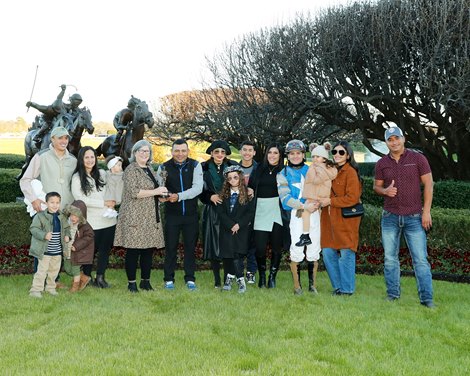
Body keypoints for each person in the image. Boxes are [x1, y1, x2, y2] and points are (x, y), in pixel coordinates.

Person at [373, 126, 435, 308]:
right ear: (386, 142)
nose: (394, 142)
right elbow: (376, 187)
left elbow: (429, 184)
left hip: (415, 217)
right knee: (390, 259)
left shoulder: (418, 158)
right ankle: (392, 295)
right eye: (390, 140)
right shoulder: (382, 163)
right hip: (390, 217)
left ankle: (427, 299)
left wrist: (426, 211)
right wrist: (384, 190)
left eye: (396, 138)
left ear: (403, 139)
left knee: (421, 260)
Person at [114, 140, 168, 292]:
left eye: (147, 151)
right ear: (135, 153)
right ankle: (131, 283)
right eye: (141, 151)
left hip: (150, 215)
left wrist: (161, 196)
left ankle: (145, 281)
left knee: (147, 250)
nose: (145, 154)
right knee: (133, 251)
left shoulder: (149, 168)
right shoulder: (131, 169)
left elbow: (154, 190)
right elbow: (134, 192)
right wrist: (156, 192)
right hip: (134, 216)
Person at [157, 139, 203, 291]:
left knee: (190, 248)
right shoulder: (164, 167)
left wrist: (178, 196)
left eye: (183, 150)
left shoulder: (195, 165)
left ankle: (190, 278)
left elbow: (197, 189)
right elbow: (160, 188)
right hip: (172, 215)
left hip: (191, 215)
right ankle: (168, 279)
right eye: (177, 150)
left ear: (188, 151)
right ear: (172, 151)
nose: (180, 154)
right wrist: (163, 196)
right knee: (171, 248)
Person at [318, 141, 362, 296]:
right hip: (328, 219)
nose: (337, 154)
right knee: (328, 252)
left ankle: (347, 289)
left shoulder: (350, 172)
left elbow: (353, 198)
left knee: (346, 254)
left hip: (345, 220)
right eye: (335, 152)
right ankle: (338, 287)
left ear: (348, 155)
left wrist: (331, 201)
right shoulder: (329, 170)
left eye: (341, 152)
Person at [71, 146, 118, 289]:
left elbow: (115, 186)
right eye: (87, 157)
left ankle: (100, 277)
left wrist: (113, 201)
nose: (90, 160)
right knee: (89, 251)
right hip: (91, 222)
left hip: (108, 220)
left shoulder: (103, 174)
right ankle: (86, 276)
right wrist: (103, 203)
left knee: (104, 250)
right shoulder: (77, 178)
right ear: (81, 159)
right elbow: (80, 199)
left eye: (92, 157)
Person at [277, 140, 320, 295]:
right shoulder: (283, 174)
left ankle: (312, 285)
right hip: (297, 215)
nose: (295, 156)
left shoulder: (312, 170)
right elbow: (285, 199)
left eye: (298, 153)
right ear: (288, 155)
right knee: (297, 247)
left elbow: (322, 190)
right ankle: (297, 286)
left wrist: (315, 204)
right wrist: (303, 206)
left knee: (314, 248)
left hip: (314, 214)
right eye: (292, 153)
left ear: (303, 154)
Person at [200, 140, 237, 288]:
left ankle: (229, 278)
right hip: (212, 210)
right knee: (214, 245)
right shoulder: (203, 167)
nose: (220, 155)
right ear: (211, 153)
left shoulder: (233, 166)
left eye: (222, 152)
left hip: (230, 210)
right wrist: (209, 197)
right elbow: (199, 189)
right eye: (216, 152)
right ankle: (217, 280)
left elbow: (240, 185)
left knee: (229, 245)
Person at [248, 143, 285, 288]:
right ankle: (262, 277)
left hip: (277, 210)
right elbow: (251, 187)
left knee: (276, 247)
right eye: (270, 152)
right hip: (260, 211)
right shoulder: (258, 170)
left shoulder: (283, 171)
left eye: (276, 153)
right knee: (260, 247)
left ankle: (272, 277)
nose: (272, 155)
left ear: (280, 155)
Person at [20, 126, 77, 212]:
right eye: (60, 138)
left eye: (66, 138)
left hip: (68, 210)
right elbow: (25, 180)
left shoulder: (73, 160)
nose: (64, 141)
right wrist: (33, 200)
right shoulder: (40, 156)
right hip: (48, 210)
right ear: (52, 139)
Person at [217, 165, 254, 293]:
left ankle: (240, 280)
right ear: (227, 180)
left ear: (240, 178)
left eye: (235, 177)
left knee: (237, 255)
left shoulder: (248, 194)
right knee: (227, 255)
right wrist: (230, 224)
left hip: (241, 230)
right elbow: (221, 213)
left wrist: (238, 224)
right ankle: (228, 279)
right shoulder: (223, 195)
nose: (233, 180)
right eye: (230, 178)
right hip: (227, 230)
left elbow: (250, 213)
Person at [28, 192, 70, 298]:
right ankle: (35, 290)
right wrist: (44, 235)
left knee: (54, 271)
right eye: (52, 202)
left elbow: (67, 228)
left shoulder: (62, 216)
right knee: (42, 271)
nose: (55, 205)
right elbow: (33, 229)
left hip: (57, 250)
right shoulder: (40, 216)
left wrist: (67, 236)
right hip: (45, 250)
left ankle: (50, 288)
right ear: (46, 203)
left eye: (57, 202)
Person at [296, 142, 337, 247]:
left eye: (317, 157)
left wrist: (312, 172)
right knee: (316, 219)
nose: (314, 159)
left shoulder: (319, 167)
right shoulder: (321, 166)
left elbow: (317, 180)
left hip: (316, 196)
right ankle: (315, 238)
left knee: (303, 212)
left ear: (324, 158)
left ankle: (305, 236)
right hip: (316, 196)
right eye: (313, 156)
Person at [236, 141, 258, 284]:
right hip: (238, 211)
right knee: (239, 242)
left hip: (256, 210)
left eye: (250, 150)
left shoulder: (259, 168)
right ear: (240, 151)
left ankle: (251, 271)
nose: (247, 153)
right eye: (244, 150)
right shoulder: (234, 168)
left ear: (254, 153)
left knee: (253, 243)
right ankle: (237, 272)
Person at [63, 200, 95, 293]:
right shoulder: (67, 223)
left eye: (76, 216)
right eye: (72, 215)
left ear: (81, 216)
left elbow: (89, 236)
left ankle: (75, 286)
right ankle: (84, 278)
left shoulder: (84, 226)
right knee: (68, 269)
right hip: (68, 251)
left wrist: (77, 246)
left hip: (77, 251)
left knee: (75, 269)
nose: (73, 218)